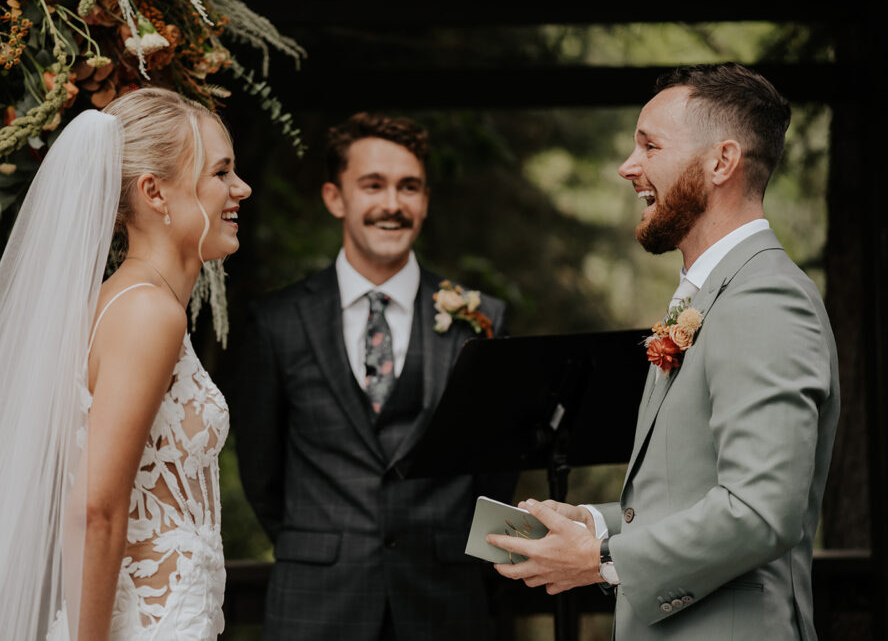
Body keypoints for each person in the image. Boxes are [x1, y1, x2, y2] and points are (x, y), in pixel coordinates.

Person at [0, 88, 251, 641]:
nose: (241, 188)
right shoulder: (147, 313)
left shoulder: (116, 303)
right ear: (154, 192)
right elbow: (94, 510)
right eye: (221, 173)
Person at [489, 63, 840, 640]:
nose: (629, 167)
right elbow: (692, 494)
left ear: (721, 162)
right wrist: (593, 527)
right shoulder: (714, 292)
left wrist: (601, 561)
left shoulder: (765, 299)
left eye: (649, 145)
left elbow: (758, 511)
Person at [231, 112, 512, 641]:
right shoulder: (278, 322)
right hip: (316, 603)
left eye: (409, 187)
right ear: (335, 198)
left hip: (445, 604)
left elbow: (494, 472)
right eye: (372, 185)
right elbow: (261, 472)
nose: (392, 204)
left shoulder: (482, 319)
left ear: (425, 200)